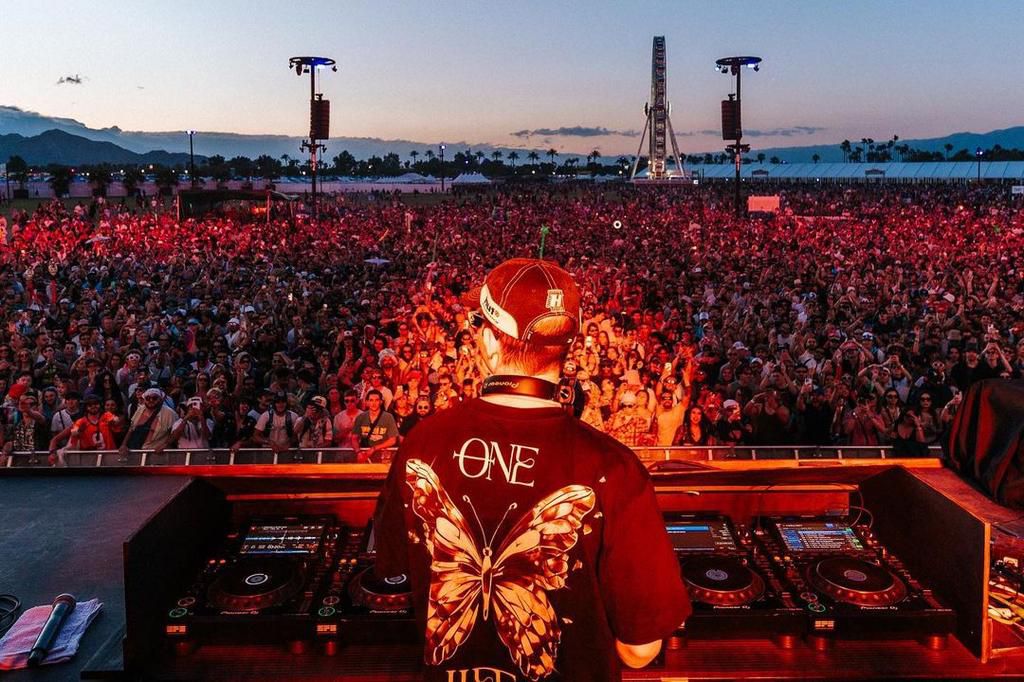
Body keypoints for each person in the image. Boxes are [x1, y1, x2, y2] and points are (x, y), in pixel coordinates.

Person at [374, 258, 689, 681]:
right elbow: (639, 650)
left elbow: (392, 573)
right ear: (569, 348)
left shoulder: (422, 443)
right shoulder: (614, 468)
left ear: (489, 343)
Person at [352, 389, 398, 462]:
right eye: (371, 400)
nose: (374, 403)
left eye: (376, 400)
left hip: (383, 454)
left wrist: (374, 448)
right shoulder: (361, 417)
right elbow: (354, 438)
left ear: (381, 402)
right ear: (367, 402)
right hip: (365, 453)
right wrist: (358, 452)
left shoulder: (388, 417)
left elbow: (392, 440)